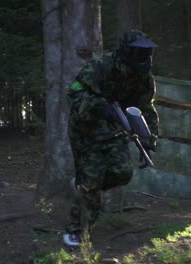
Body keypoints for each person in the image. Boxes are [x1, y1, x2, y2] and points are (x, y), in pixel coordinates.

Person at [63, 30, 159, 246]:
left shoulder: (143, 78)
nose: (146, 57)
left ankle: (86, 189)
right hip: (85, 131)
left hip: (114, 130)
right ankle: (76, 230)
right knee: (91, 182)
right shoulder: (99, 67)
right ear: (127, 51)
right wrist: (100, 107)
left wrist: (148, 139)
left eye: (148, 52)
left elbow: (145, 108)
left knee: (122, 172)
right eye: (141, 52)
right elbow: (74, 95)